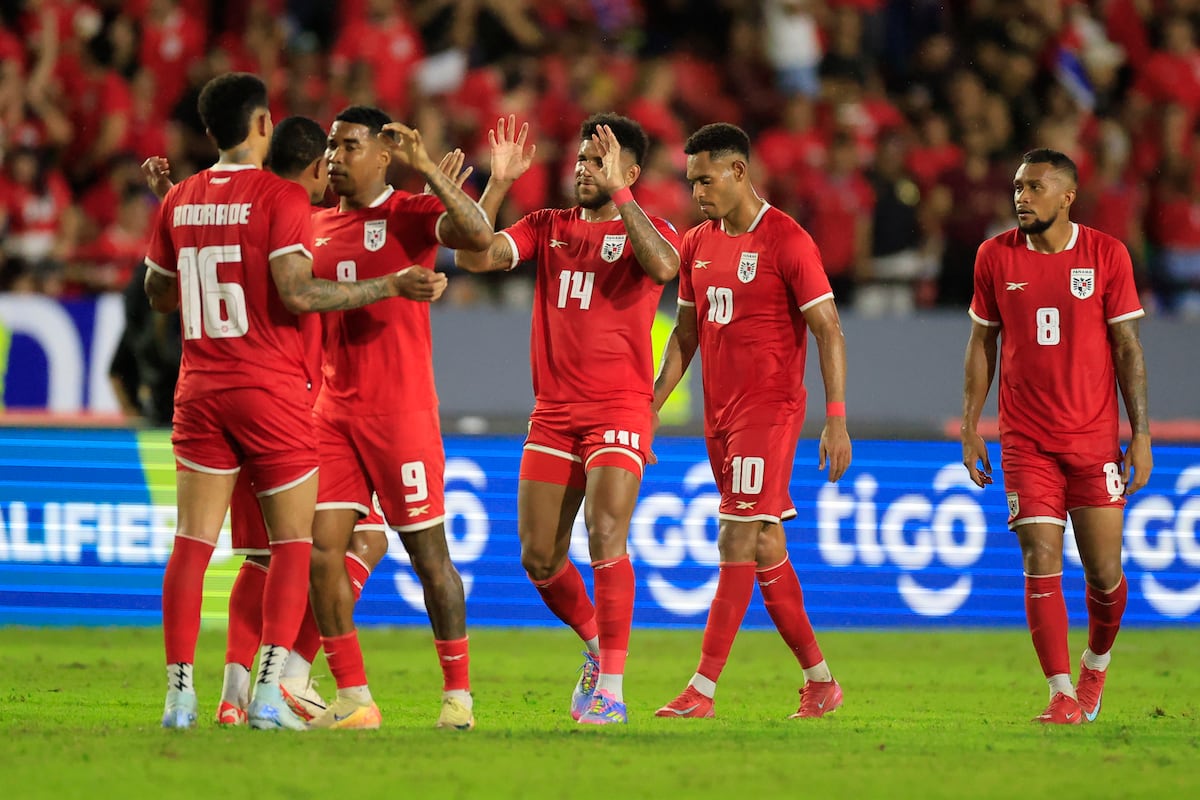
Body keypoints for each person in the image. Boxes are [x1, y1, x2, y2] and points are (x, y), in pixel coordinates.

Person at [144, 73, 444, 731]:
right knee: (291, 546)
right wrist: (389, 283)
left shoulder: (181, 200)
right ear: (260, 126)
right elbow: (299, 293)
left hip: (198, 389)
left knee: (191, 545)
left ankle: (179, 695)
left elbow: (159, 294)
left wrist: (178, 216)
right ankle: (270, 696)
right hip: (271, 392)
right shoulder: (280, 199)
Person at [456, 114, 681, 725]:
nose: (583, 168)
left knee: (607, 533)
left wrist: (622, 196)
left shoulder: (652, 229)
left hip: (620, 409)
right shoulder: (546, 226)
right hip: (553, 414)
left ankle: (611, 687)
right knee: (539, 558)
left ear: (629, 172)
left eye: (598, 160)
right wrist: (497, 184)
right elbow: (473, 257)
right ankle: (593, 643)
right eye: (581, 159)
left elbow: (664, 268)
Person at [651, 122, 852, 720]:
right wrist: (650, 405)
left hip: (770, 410)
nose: (697, 194)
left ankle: (702, 689)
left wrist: (836, 417)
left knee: (736, 535)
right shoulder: (696, 243)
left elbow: (828, 330)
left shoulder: (787, 240)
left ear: (739, 171)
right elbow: (684, 337)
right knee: (764, 543)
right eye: (691, 183)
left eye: (706, 180)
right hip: (720, 415)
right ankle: (820, 683)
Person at [306, 105, 492, 730]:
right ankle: (353, 696)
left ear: (383, 156)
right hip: (332, 412)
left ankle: (458, 697)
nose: (333, 156)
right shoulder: (316, 223)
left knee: (429, 557)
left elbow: (478, 235)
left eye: (348, 145)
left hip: (402, 413)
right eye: (330, 145)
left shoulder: (408, 214)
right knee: (320, 553)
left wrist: (429, 174)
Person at [960, 148, 1152, 725]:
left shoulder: (1107, 255)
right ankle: (1061, 693)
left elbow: (1127, 350)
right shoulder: (994, 256)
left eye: (1036, 188)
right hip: (1025, 439)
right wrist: (971, 425)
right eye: (1018, 187)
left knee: (1104, 573)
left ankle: (1095, 663)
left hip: (1094, 440)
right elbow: (981, 345)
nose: (1022, 197)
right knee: (1039, 556)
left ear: (1067, 196)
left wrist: (1139, 434)